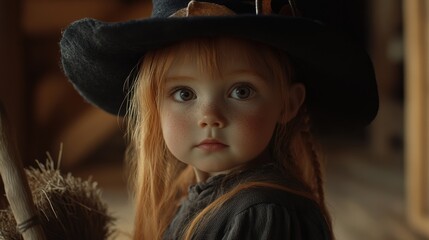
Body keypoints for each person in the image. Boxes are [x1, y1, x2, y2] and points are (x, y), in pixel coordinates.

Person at [60, 0, 378, 239]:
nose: (210, 116)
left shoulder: (264, 214)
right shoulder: (199, 198)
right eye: (184, 94)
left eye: (241, 91)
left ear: (288, 103)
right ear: (154, 106)